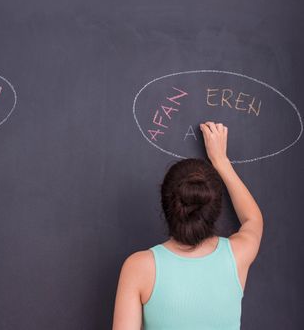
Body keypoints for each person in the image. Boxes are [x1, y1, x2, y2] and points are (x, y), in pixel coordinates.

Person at [113, 122, 263, 330]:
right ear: (215, 210)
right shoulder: (237, 254)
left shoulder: (139, 268)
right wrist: (221, 161)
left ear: (166, 205)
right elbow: (253, 219)